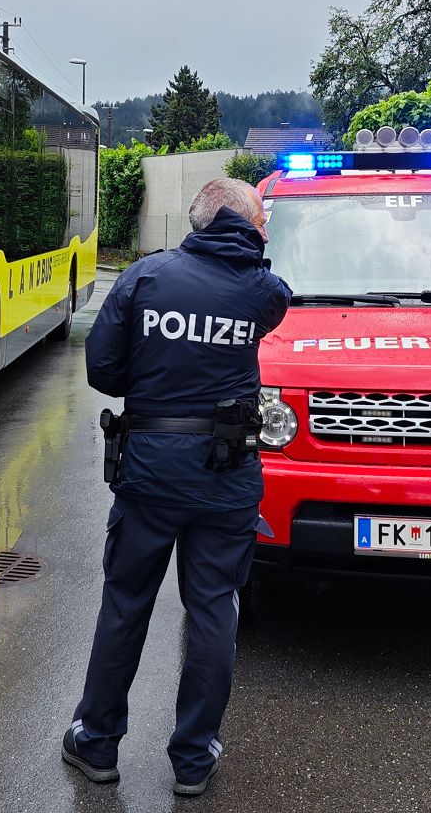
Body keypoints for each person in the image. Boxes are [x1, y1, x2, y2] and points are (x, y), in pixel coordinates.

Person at [63, 178, 291, 797]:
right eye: (261, 218)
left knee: (125, 604)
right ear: (242, 224)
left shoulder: (144, 278)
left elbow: (104, 370)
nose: (265, 226)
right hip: (227, 473)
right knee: (214, 608)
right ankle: (193, 760)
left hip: (151, 471)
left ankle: (96, 743)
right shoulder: (262, 292)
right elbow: (271, 293)